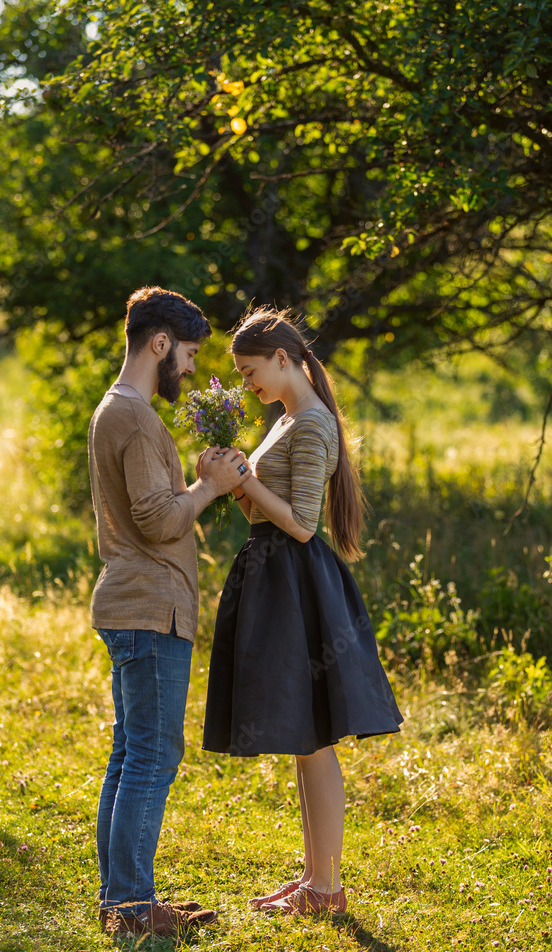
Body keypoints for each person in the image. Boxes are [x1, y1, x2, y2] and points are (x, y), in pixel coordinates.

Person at [202, 307, 403, 917]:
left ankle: (327, 889)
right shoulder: (284, 420)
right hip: (275, 578)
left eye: (251, 371)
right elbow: (262, 512)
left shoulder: (312, 424)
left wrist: (243, 478)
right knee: (301, 735)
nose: (246, 385)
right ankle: (316, 878)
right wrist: (235, 480)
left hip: (298, 583)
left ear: (283, 358)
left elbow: (301, 523)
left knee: (313, 739)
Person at [88, 287, 251, 938]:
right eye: (186, 354)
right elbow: (158, 520)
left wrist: (197, 483)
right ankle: (130, 908)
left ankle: (120, 900)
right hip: (148, 607)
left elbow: (151, 509)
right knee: (151, 757)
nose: (188, 369)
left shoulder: (119, 410)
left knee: (131, 755)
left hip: (136, 603)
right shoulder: (133, 417)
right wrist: (211, 487)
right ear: (158, 344)